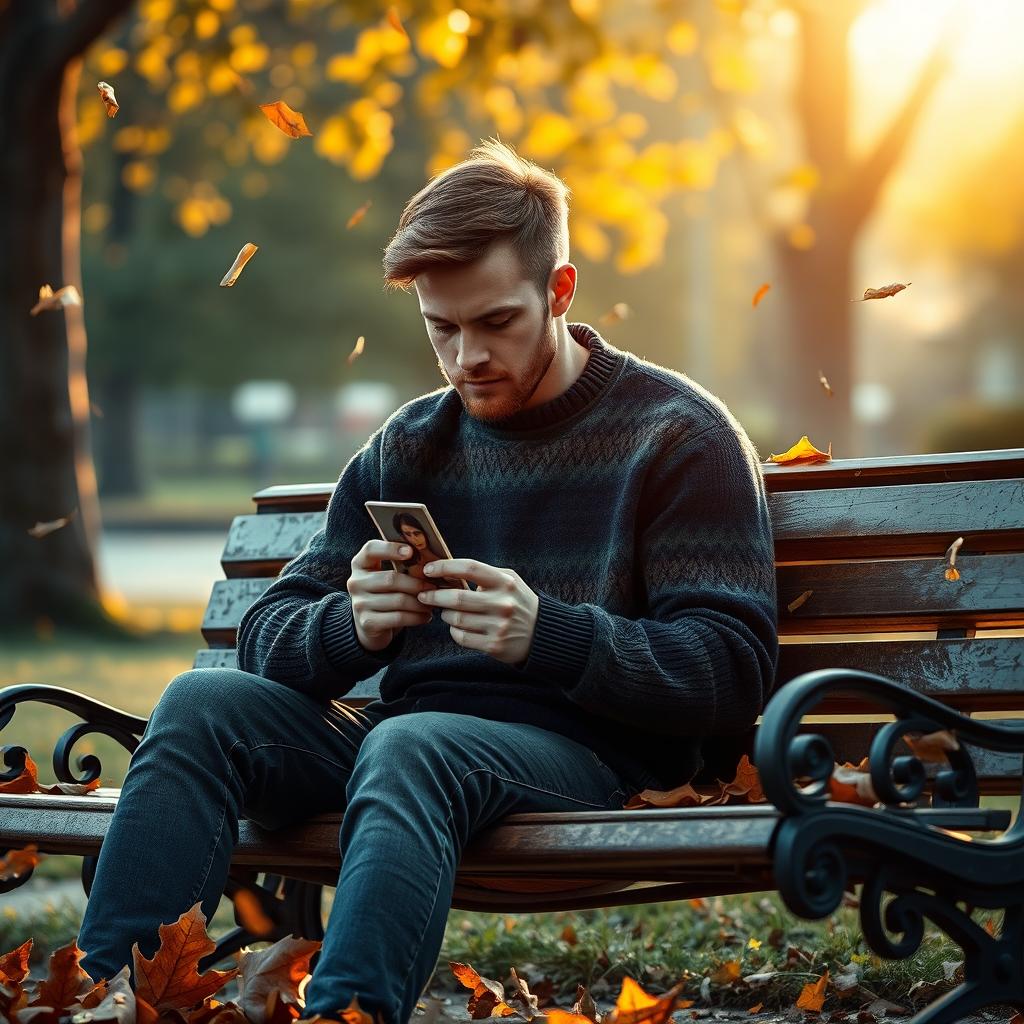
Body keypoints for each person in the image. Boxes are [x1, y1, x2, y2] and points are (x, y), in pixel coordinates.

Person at [76, 139, 779, 1023]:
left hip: (593, 761)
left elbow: (730, 670)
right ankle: (107, 1006)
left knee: (412, 745)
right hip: (403, 745)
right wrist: (353, 626)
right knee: (198, 703)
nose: (466, 356)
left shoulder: (677, 436)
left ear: (560, 291)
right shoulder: (410, 444)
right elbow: (267, 634)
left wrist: (550, 636)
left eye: (496, 322)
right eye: (441, 328)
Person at [393, 511, 461, 588]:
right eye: (408, 534)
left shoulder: (442, 552)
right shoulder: (414, 564)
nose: (414, 539)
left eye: (417, 533)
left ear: (425, 532)